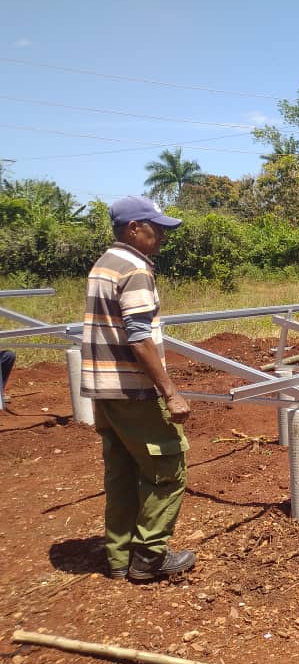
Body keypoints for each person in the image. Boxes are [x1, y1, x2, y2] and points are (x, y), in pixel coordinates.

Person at [81, 196, 196, 582]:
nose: (161, 235)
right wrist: (170, 391)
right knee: (167, 470)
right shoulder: (135, 269)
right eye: (155, 227)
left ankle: (118, 557)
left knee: (122, 472)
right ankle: (149, 557)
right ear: (134, 229)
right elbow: (139, 336)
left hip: (104, 390)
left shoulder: (103, 264)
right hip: (133, 390)